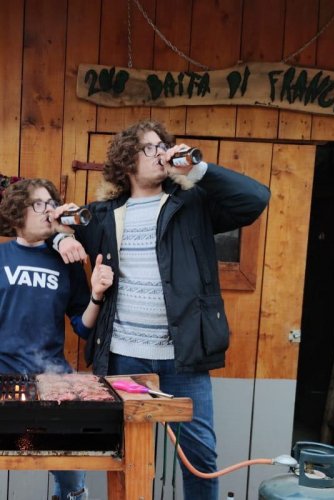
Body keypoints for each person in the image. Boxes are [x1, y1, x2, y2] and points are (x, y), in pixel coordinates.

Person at [52, 120, 271, 499]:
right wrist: (59, 238)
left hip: (181, 358)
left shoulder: (193, 204)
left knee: (200, 455)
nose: (160, 153)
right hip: (122, 357)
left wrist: (198, 169)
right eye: (149, 148)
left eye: (162, 146)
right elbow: (46, 228)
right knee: (124, 453)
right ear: (127, 161)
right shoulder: (101, 215)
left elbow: (254, 200)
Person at [0, 178, 114, 500]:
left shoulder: (67, 263)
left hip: (52, 382)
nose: (48, 210)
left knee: (71, 475)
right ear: (17, 212)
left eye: (51, 204)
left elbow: (82, 326)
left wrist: (96, 294)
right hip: (4, 380)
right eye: (39, 204)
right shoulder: (2, 257)